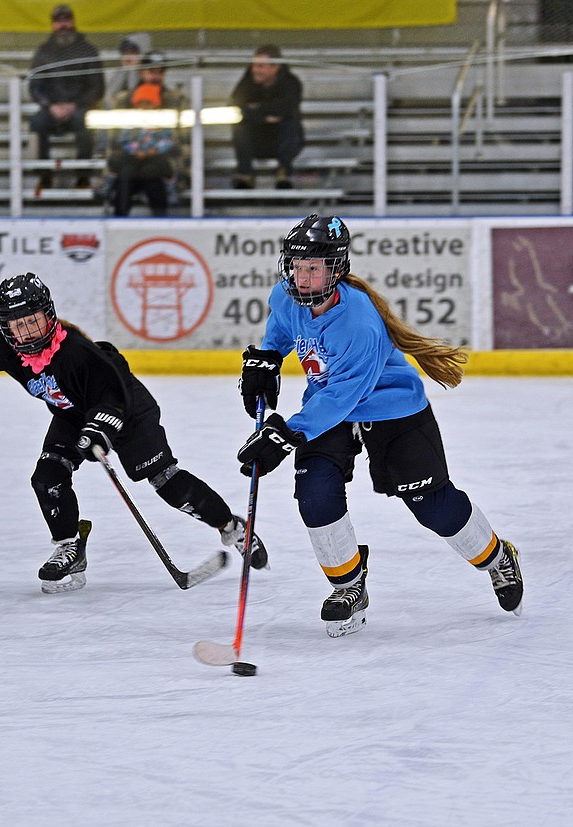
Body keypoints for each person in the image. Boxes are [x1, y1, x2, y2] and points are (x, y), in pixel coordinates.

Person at [235, 214, 523, 638]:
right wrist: (267, 358)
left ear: (336, 269)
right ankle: (349, 586)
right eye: (297, 265)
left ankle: (497, 557)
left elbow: (342, 396)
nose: (302, 276)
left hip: (392, 410)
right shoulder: (285, 296)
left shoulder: (359, 324)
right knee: (314, 494)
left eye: (313, 267)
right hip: (328, 413)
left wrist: (286, 433)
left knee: (432, 505)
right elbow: (282, 328)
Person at [0, 273, 268, 594]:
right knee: (47, 476)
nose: (28, 331)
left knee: (165, 481)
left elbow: (112, 393)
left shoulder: (74, 351)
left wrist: (100, 428)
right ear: (6, 329)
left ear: (48, 315)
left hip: (128, 410)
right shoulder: (7, 351)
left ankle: (232, 527)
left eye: (32, 319)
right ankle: (69, 548)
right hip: (74, 414)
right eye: (18, 325)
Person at [27, 4, 104, 189]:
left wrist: (75, 105)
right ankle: (44, 176)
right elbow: (35, 86)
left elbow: (97, 87)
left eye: (66, 21)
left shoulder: (88, 50)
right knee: (37, 122)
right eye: (58, 21)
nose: (63, 25)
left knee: (84, 122)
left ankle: (83, 177)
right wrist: (50, 105)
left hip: (80, 108)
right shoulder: (43, 52)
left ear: (73, 22)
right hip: (51, 108)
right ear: (53, 24)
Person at [102, 53, 185, 217]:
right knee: (126, 174)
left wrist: (183, 176)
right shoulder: (122, 100)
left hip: (159, 161)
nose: (156, 76)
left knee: (151, 173)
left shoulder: (177, 100)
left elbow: (181, 141)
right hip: (131, 159)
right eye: (151, 71)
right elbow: (115, 141)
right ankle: (119, 220)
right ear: (141, 72)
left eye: (160, 72)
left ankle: (160, 220)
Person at [228, 44, 305, 190]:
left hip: (282, 141)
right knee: (239, 122)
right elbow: (235, 106)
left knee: (291, 121)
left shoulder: (291, 83)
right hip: (256, 140)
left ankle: (283, 171)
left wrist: (256, 108)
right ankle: (245, 173)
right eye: (254, 65)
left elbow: (287, 109)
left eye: (260, 66)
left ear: (275, 67)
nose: (254, 69)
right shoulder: (247, 82)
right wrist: (264, 117)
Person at [103, 34, 149, 106]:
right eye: (125, 53)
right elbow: (108, 100)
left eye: (133, 53)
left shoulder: (150, 76)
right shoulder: (112, 75)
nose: (128, 57)